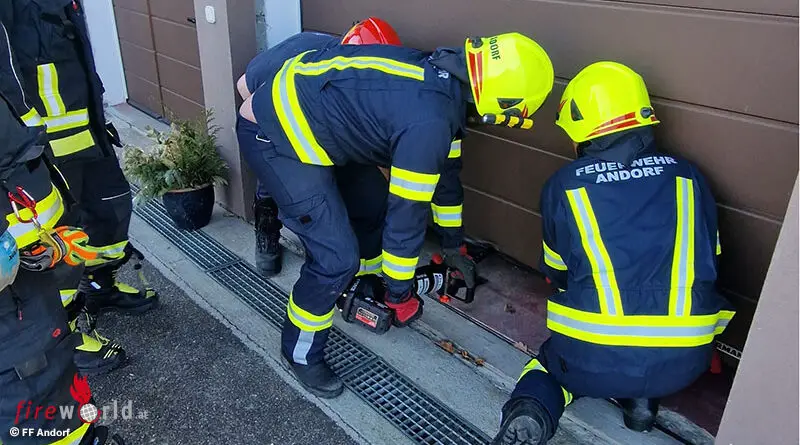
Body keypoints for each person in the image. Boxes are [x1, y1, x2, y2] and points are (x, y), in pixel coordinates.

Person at [238, 29, 554, 398]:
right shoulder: (430, 121)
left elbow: (446, 180)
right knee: (336, 258)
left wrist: (453, 245)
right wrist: (400, 293)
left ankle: (361, 288)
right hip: (274, 134)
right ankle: (300, 350)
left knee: (373, 209)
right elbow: (407, 218)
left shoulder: (444, 82)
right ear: (503, 104)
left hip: (320, 129)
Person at [491, 61, 736, 445]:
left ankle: (531, 410)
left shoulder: (565, 185)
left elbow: (556, 271)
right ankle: (642, 406)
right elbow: (710, 262)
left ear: (582, 127)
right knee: (647, 350)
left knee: (551, 370)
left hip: (591, 358)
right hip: (687, 361)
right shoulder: (690, 176)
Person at [0, 0, 159, 376]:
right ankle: (67, 336)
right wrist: (25, 148)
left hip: (87, 129)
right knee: (60, 240)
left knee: (112, 209)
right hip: (42, 149)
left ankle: (101, 286)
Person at [0, 76, 124, 445]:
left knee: (47, 386)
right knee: (34, 394)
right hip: (14, 305)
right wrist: (43, 241)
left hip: (24, 279)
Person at [239, 17, 403, 278]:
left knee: (369, 197)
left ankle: (361, 271)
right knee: (289, 189)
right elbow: (243, 88)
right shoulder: (299, 50)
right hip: (285, 128)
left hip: (334, 134)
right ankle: (267, 225)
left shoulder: (382, 82)